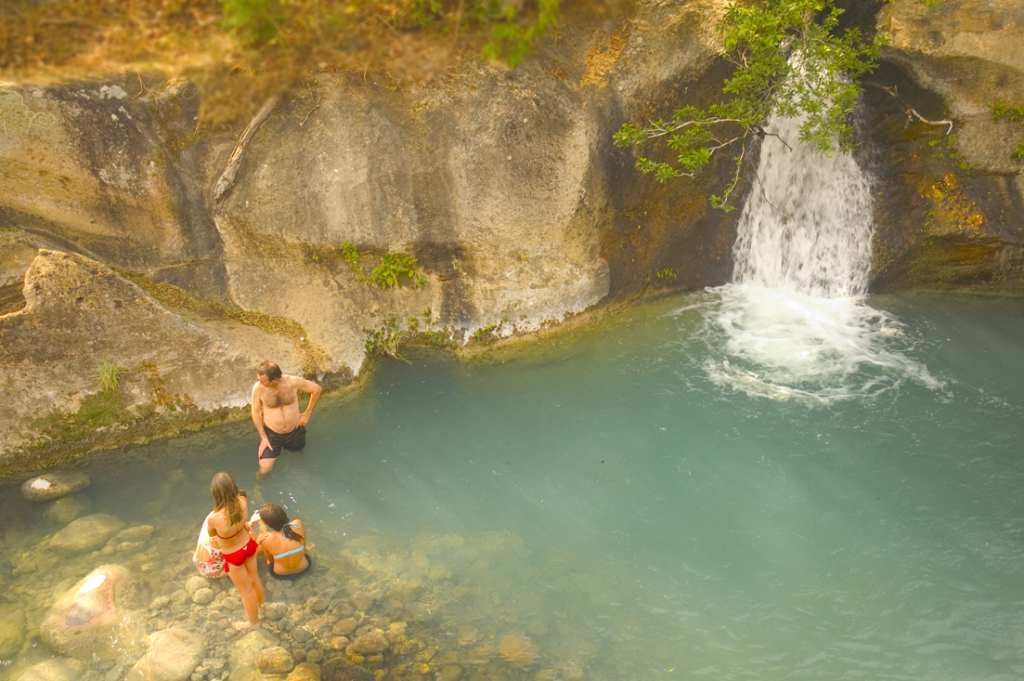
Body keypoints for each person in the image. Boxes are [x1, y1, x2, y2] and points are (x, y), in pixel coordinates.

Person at [206, 472, 264, 630]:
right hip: (249, 545)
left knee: (245, 591)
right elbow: (242, 520)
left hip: (234, 555)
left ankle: (253, 623)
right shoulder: (242, 501)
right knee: (255, 579)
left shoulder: (214, 517)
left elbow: (211, 534)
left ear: (215, 492)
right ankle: (260, 607)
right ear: (234, 486)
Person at [251, 360, 322, 479]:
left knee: (296, 459)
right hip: (272, 434)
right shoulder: (258, 389)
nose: (260, 383)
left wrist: (307, 414)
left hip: (295, 431)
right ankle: (258, 490)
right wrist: (263, 437)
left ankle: (294, 473)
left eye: (263, 380)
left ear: (274, 380)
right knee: (264, 469)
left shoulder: (293, 382)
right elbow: (255, 412)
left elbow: (316, 389)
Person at [253, 503, 313, 580]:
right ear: (284, 514)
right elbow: (303, 546)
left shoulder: (265, 539)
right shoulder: (298, 524)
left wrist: (262, 528)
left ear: (267, 523)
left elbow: (271, 560)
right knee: (302, 550)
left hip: (280, 575)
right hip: (304, 569)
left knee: (268, 559)